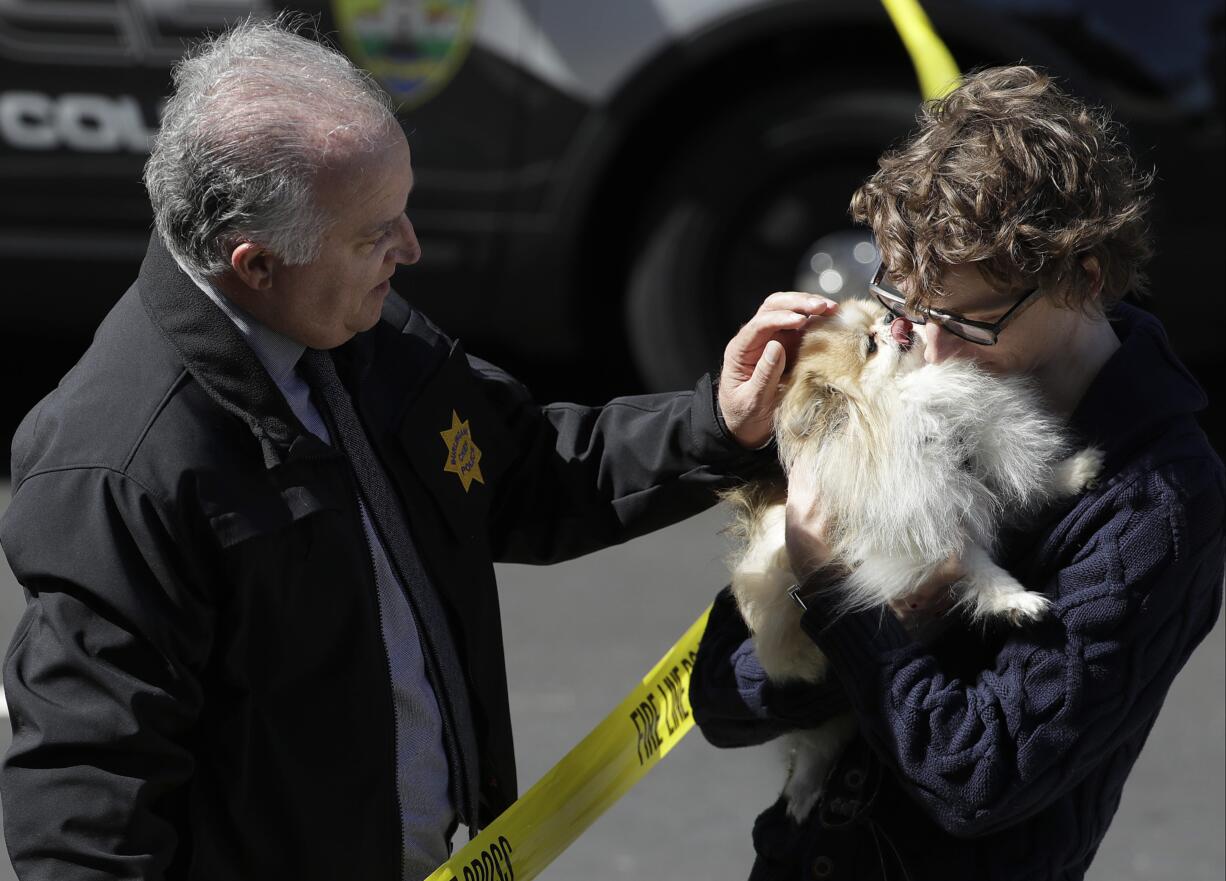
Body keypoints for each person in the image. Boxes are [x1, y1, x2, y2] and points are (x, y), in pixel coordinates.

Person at [0, 18, 833, 881]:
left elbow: (526, 472)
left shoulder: (358, 327)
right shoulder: (119, 470)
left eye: (404, 210)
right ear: (254, 265)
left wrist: (720, 422)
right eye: (374, 233)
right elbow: (91, 804)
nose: (410, 248)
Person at [689, 65, 1224, 881]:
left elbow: (978, 777)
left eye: (965, 321)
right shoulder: (895, 360)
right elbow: (720, 698)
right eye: (905, 304)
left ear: (1080, 280)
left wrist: (840, 591)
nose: (924, 349)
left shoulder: (1159, 503)